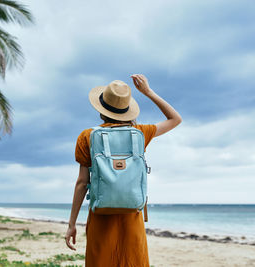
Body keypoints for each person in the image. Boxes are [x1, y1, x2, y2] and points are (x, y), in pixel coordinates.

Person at [65, 74, 182, 267]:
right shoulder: (140, 133)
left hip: (100, 217)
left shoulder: (87, 136)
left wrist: (71, 225)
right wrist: (148, 92)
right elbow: (175, 119)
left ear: (101, 109)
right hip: (132, 216)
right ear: (127, 110)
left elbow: (82, 183)